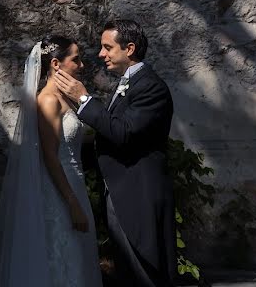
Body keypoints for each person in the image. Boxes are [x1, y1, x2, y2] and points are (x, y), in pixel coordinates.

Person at [53, 19, 176, 287]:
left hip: (138, 194)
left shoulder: (151, 87)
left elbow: (123, 133)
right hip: (120, 193)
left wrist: (84, 99)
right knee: (129, 274)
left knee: (145, 273)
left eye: (107, 47)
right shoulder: (129, 83)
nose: (100, 54)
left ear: (129, 48)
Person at [0, 36, 103, 287]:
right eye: (76, 59)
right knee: (62, 259)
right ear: (56, 64)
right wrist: (71, 203)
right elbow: (50, 156)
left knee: (78, 257)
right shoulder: (48, 100)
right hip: (60, 190)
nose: (81, 65)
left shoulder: (67, 98)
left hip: (74, 183)